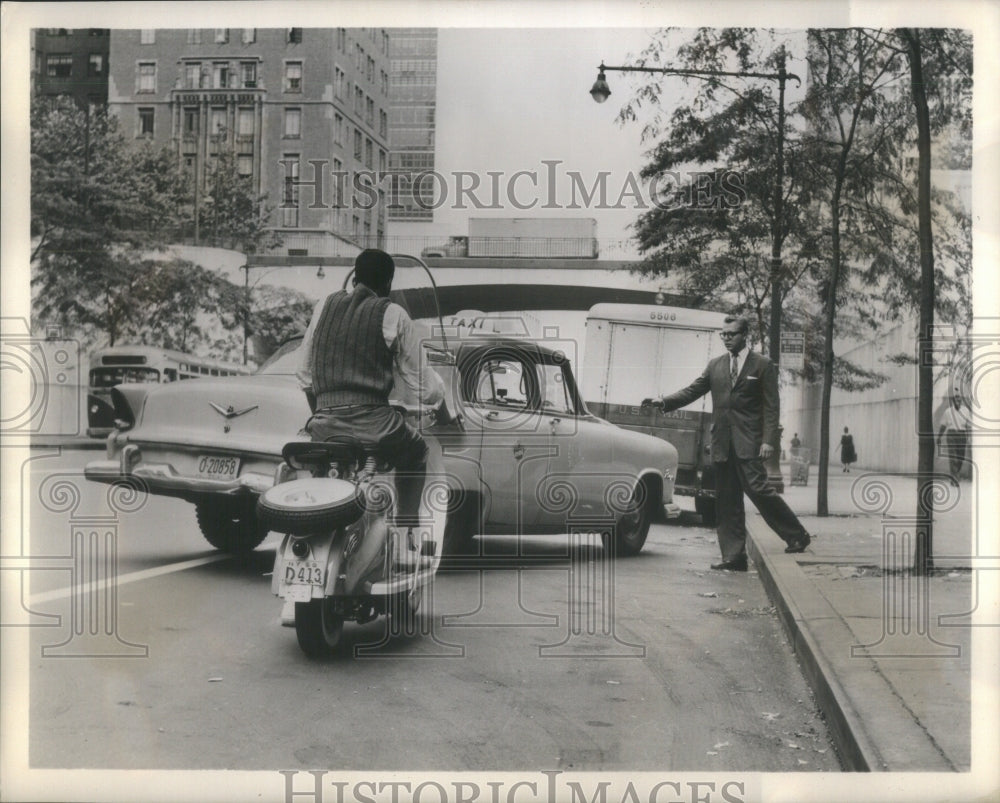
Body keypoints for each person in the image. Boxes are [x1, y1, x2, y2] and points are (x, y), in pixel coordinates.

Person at [296, 249, 445, 541]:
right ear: (388, 282)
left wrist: (321, 412)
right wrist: (440, 400)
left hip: (324, 425)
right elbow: (425, 389)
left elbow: (304, 375)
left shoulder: (324, 307)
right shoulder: (393, 314)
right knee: (416, 453)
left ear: (355, 276)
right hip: (375, 425)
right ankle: (406, 537)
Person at [642, 315, 810, 571]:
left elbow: (771, 407)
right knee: (727, 501)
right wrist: (664, 402)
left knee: (760, 491)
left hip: (749, 443)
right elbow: (692, 390)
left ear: (745, 335)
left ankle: (796, 535)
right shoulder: (715, 366)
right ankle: (733, 557)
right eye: (724, 334)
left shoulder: (762, 365)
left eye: (731, 334)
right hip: (722, 443)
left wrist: (768, 441)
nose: (726, 338)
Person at [938, 394, 970, 487]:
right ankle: (955, 479)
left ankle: (955, 476)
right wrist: (939, 437)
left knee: (961, 458)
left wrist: (969, 437)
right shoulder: (948, 412)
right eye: (956, 400)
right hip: (951, 435)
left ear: (961, 401)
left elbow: (968, 425)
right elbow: (943, 425)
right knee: (953, 458)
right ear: (953, 401)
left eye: (959, 400)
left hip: (962, 435)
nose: (958, 402)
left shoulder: (966, 411)